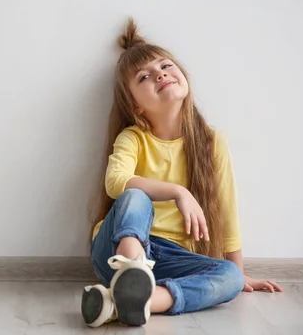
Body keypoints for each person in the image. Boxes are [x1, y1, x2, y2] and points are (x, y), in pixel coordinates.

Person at [81, 19, 282, 328]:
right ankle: (131, 269)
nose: (160, 74)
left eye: (166, 65)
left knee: (229, 277)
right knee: (135, 195)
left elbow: (228, 210)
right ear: (136, 106)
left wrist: (239, 273)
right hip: (115, 250)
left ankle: (129, 303)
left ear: (182, 76)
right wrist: (178, 192)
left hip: (172, 259)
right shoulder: (133, 138)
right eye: (145, 76)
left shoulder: (212, 142)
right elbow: (115, 183)